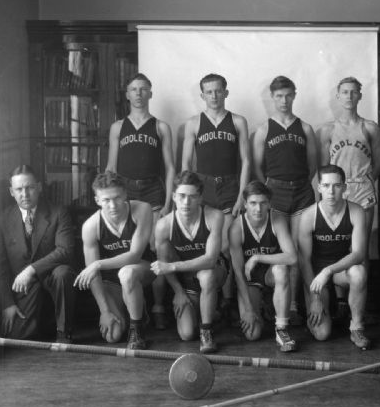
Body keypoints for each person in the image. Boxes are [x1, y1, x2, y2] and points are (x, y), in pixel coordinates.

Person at [106, 73, 175, 331]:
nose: (138, 93)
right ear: (127, 94)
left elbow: (170, 168)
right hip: (125, 191)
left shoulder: (160, 127)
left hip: (152, 190)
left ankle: (157, 305)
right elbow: (111, 166)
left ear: (150, 94)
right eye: (133, 89)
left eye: (143, 89)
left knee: (156, 248)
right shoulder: (117, 127)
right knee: (127, 247)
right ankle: (135, 305)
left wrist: (168, 202)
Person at [181, 73, 251, 319]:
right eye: (209, 92)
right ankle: (209, 296)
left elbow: (246, 161)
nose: (214, 95)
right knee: (206, 242)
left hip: (231, 185)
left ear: (226, 92)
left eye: (218, 90)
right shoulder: (193, 123)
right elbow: (186, 165)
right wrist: (188, 197)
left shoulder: (239, 121)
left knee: (229, 244)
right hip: (204, 187)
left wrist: (242, 196)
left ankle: (229, 300)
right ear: (202, 95)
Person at [253, 75, 317, 326]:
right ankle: (281, 304)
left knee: (301, 251)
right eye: (278, 96)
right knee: (283, 250)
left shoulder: (306, 128)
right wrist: (270, 192)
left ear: (294, 95)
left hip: (301, 192)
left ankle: (294, 305)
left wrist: (298, 183)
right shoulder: (264, 129)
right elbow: (258, 168)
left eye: (288, 95)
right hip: (275, 193)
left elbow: (312, 165)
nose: (283, 100)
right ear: (272, 97)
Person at [317, 77, 380, 320]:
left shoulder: (370, 127)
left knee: (360, 248)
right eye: (345, 92)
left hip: (362, 189)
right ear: (338, 96)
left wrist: (362, 183)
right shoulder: (328, 129)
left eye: (354, 92)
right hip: (337, 190)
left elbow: (376, 164)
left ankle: (359, 307)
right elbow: (323, 168)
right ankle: (340, 300)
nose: (349, 96)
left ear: (360, 96)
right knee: (336, 243)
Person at [0, 165, 76, 343]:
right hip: (24, 286)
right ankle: (42, 324)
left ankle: (63, 332)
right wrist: (8, 305)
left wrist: (31, 269)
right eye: (19, 189)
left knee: (63, 273)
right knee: (17, 337)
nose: (25, 194)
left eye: (29, 188)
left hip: (51, 276)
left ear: (39, 187)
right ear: (11, 192)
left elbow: (65, 250)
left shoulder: (58, 212)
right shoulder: (0, 220)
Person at [75, 171, 155, 349]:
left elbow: (134, 255)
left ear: (125, 194)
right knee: (113, 335)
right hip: (110, 282)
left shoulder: (142, 209)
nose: (112, 205)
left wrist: (97, 264)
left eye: (117, 198)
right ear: (97, 200)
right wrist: (104, 311)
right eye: (106, 200)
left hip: (142, 269)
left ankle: (137, 329)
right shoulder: (90, 226)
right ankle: (137, 310)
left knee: (127, 273)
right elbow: (93, 276)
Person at [150, 171, 227, 353]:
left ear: (200, 198)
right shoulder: (164, 226)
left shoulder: (214, 216)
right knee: (186, 334)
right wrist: (178, 292)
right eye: (182, 196)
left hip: (214, 271)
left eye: (192, 197)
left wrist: (173, 266)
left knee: (207, 276)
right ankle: (209, 310)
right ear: (174, 196)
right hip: (186, 279)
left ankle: (207, 332)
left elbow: (209, 260)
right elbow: (163, 265)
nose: (186, 202)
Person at [297, 165, 370, 350]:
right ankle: (325, 307)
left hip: (338, 272)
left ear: (344, 188)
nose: (331, 192)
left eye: (336, 186)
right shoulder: (308, 216)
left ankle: (357, 327)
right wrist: (314, 298)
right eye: (326, 186)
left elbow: (359, 254)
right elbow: (304, 261)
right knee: (322, 335)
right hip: (316, 279)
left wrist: (329, 270)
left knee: (359, 272)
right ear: (319, 187)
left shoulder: (356, 212)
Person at [228, 180, 298, 351]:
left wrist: (258, 257)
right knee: (253, 335)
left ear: (269, 203)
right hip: (249, 280)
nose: (258, 209)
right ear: (245, 204)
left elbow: (292, 258)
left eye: (262, 203)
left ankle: (281, 330)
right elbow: (238, 272)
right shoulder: (237, 228)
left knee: (281, 270)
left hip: (269, 274)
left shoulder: (277, 219)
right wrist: (249, 310)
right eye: (253, 203)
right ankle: (263, 306)